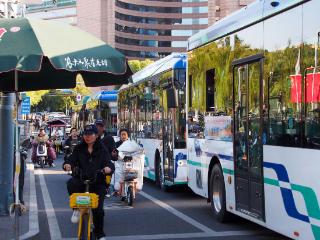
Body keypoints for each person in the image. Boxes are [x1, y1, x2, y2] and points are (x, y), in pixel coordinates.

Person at [63, 124, 114, 240]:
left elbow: (109, 163)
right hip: (81, 180)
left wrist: (108, 168)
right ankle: (76, 209)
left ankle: (100, 233)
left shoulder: (102, 149)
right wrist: (67, 164)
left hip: (98, 182)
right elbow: (70, 159)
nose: (88, 137)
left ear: (96, 135)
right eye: (86, 134)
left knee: (98, 211)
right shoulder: (79, 148)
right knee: (70, 183)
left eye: (90, 134)